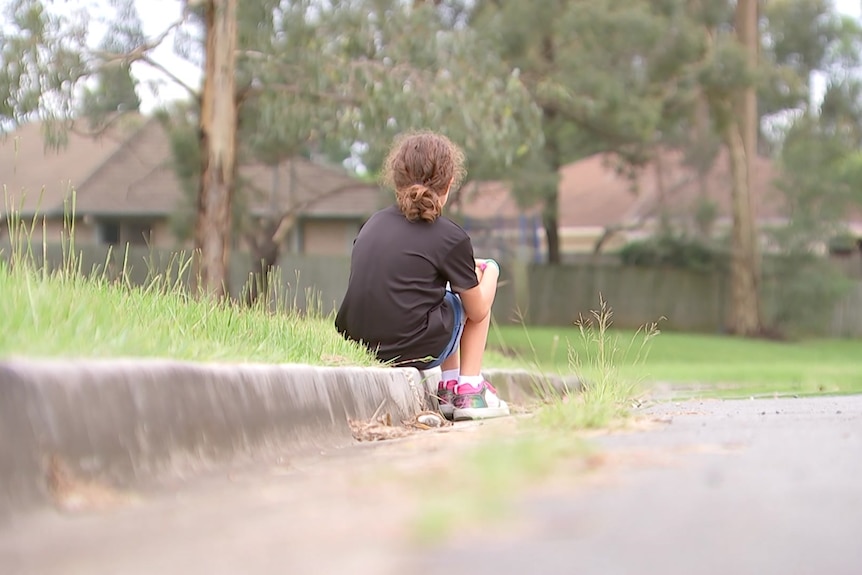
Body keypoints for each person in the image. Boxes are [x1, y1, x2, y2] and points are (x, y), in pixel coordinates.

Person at [335, 131, 509, 421]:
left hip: (360, 343)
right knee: (469, 295)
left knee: (443, 298)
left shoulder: (372, 224)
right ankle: (469, 390)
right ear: (450, 183)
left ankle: (447, 388)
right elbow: (477, 309)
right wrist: (491, 269)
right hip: (410, 347)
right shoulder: (451, 236)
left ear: (397, 179)